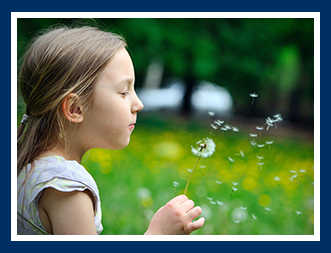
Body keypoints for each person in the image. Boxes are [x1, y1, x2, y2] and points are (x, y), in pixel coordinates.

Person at [17, 26, 205, 235]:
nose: (138, 104)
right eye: (124, 91)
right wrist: (158, 235)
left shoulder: (26, 168)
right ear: (75, 108)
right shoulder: (67, 187)